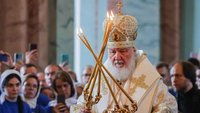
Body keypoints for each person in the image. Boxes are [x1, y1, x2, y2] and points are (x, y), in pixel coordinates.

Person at [71, 12, 177, 113]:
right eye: (112, 52)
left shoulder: (151, 79)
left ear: (133, 50)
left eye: (123, 51)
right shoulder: (99, 80)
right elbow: (79, 106)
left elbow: (168, 105)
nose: (117, 57)